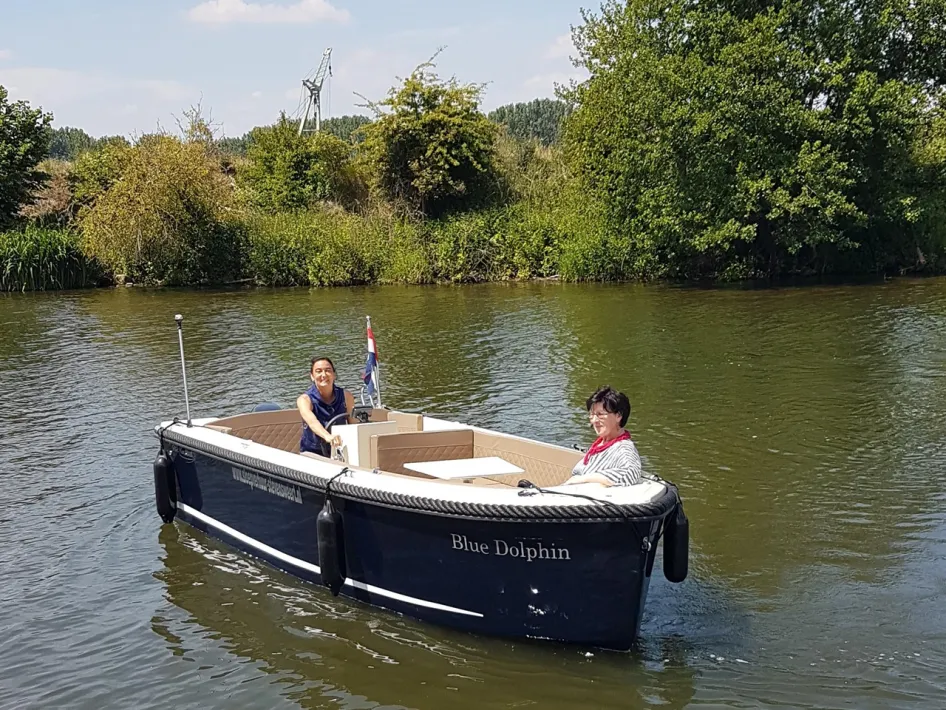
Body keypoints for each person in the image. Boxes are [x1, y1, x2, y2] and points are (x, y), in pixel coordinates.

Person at [565, 386, 643, 486]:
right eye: (592, 415)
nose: (594, 420)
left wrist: (583, 479)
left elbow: (630, 472)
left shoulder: (624, 449)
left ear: (618, 415)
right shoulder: (600, 444)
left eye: (600, 414)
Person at [297, 356, 356, 457]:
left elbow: (354, 424)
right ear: (312, 376)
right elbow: (312, 422)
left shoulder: (346, 396)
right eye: (318, 371)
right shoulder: (304, 400)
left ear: (334, 375)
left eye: (328, 371)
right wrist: (328, 437)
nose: (323, 375)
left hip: (341, 450)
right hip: (313, 453)